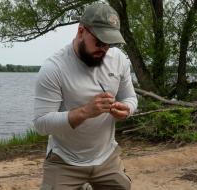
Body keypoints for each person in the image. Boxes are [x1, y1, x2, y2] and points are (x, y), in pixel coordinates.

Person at [33, 3, 138, 190]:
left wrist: (127, 109)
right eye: (99, 42)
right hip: (64, 159)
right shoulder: (54, 68)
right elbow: (41, 123)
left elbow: (130, 97)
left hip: (107, 157)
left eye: (109, 43)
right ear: (81, 31)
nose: (104, 49)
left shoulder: (118, 59)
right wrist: (85, 112)